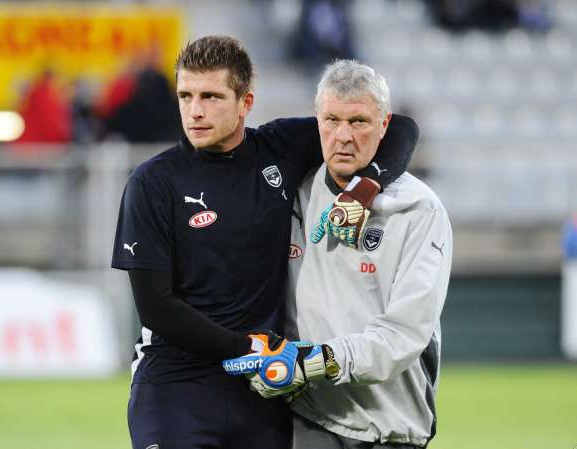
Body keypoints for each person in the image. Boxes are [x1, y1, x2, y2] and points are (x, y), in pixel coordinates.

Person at [111, 36, 419, 449]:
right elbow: (156, 307)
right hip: (176, 385)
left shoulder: (280, 148)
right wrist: (247, 347)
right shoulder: (152, 182)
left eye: (211, 96)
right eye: (186, 96)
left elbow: (399, 128)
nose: (195, 111)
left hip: (262, 391)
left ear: (246, 102)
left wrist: (365, 187)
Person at [224, 60, 452, 448]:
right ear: (317, 122)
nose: (343, 136)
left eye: (359, 122)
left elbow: (403, 335)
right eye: (332, 120)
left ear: (384, 125)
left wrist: (315, 361)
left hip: (391, 425)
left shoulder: (418, 210)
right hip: (312, 417)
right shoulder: (293, 194)